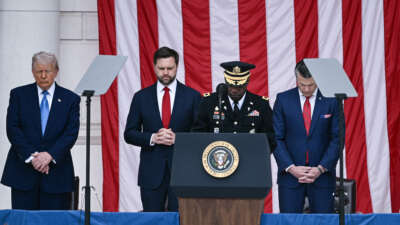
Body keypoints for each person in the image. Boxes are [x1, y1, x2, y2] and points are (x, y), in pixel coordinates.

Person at [124, 46, 201, 212]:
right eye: (161, 68)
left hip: (183, 172)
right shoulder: (141, 97)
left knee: (181, 221)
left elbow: (201, 134)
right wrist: (152, 138)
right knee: (152, 220)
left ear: (177, 67)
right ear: (154, 67)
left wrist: (178, 139)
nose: (165, 72)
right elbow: (129, 133)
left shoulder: (193, 96)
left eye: (170, 68)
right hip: (151, 174)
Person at [1, 51, 80, 210]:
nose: (43, 76)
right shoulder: (18, 95)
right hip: (23, 174)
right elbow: (13, 128)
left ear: (56, 72)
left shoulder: (70, 99)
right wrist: (33, 156)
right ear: (33, 72)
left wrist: (49, 156)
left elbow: (70, 133)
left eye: (47, 71)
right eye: (39, 71)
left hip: (56, 175)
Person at [272, 59, 340, 213]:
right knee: (289, 222)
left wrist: (321, 168)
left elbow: (337, 138)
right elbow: (276, 138)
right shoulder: (283, 100)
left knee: (324, 222)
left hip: (322, 176)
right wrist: (290, 167)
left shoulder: (332, 101)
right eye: (302, 85)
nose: (307, 89)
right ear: (296, 79)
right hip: (290, 177)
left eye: (311, 84)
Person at [191, 61, 276, 151]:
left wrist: (255, 155)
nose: (234, 90)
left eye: (239, 87)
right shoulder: (210, 102)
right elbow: (198, 134)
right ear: (226, 81)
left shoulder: (260, 104)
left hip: (250, 159)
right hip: (218, 159)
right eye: (230, 85)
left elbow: (271, 138)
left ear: (247, 82)